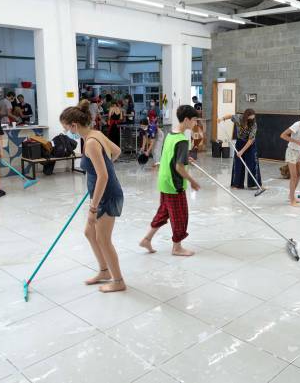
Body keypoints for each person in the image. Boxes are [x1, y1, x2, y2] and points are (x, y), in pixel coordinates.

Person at [60, 100, 126, 293]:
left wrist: (93, 207)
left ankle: (119, 281)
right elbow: (117, 151)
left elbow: (103, 176)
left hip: (107, 195)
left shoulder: (90, 143)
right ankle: (104, 271)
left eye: (66, 128)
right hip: (100, 193)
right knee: (89, 233)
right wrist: (103, 168)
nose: (66, 132)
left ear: (74, 125)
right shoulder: (96, 133)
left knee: (104, 239)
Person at [140, 105, 200, 257]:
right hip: (174, 183)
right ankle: (177, 247)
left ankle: (147, 239)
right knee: (180, 215)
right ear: (186, 120)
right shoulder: (182, 140)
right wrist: (192, 181)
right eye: (194, 120)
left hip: (164, 180)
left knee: (164, 212)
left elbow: (172, 156)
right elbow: (179, 167)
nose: (195, 124)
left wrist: (185, 157)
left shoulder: (171, 134)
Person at [218, 109, 261, 190]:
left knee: (253, 163)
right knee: (238, 164)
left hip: (250, 145)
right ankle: (237, 184)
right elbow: (230, 116)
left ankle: (255, 184)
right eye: (249, 118)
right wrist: (222, 119)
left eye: (252, 119)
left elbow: (250, 140)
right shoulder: (238, 117)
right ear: (245, 116)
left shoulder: (254, 124)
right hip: (240, 142)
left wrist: (241, 151)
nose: (251, 120)